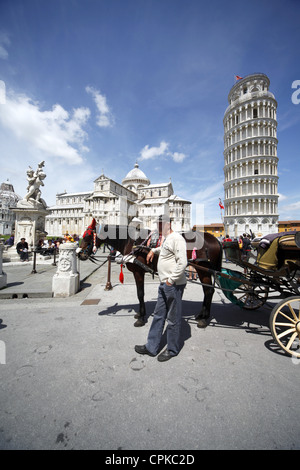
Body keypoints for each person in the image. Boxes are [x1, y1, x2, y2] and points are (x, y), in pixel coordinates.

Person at [134, 215, 188, 362]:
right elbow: (165, 250)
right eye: (157, 226)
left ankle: (172, 349)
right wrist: (154, 250)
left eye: (160, 225)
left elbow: (183, 262)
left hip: (173, 284)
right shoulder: (167, 240)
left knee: (173, 318)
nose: (158, 228)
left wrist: (170, 280)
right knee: (158, 315)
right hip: (164, 284)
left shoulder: (177, 238)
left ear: (168, 224)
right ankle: (152, 346)